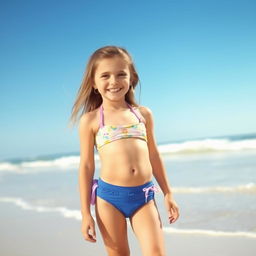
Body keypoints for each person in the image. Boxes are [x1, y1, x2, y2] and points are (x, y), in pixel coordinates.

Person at [69, 45, 179, 256]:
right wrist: (85, 213)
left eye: (121, 74)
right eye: (105, 76)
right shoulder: (91, 120)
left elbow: (154, 154)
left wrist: (168, 193)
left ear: (131, 78)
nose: (114, 81)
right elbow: (86, 166)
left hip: (143, 196)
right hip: (109, 198)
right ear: (94, 83)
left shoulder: (143, 115)